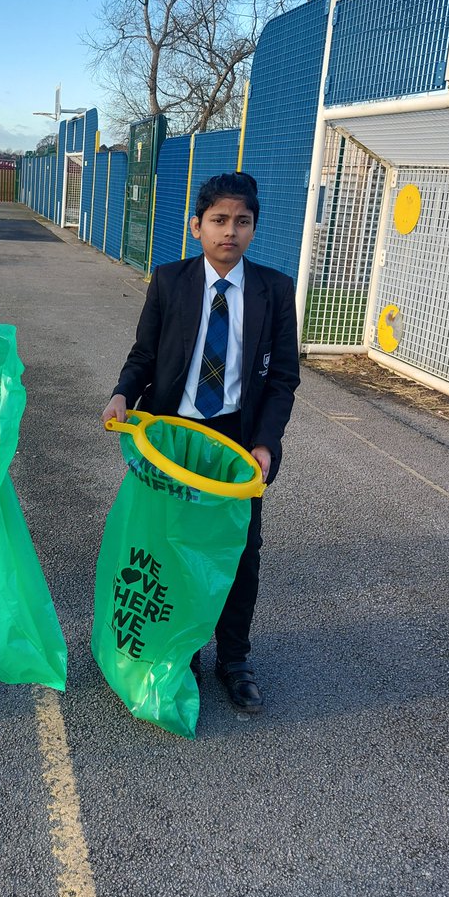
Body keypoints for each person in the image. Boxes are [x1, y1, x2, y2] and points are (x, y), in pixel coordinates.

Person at [101, 172, 300, 713]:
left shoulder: (275, 292)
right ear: (196, 227)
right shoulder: (170, 281)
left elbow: (283, 378)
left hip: (235, 441)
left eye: (242, 222)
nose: (229, 232)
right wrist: (123, 393)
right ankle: (178, 644)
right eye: (218, 221)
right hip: (173, 436)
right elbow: (145, 354)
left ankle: (233, 657)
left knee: (238, 552)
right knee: (170, 545)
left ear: (254, 228)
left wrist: (264, 443)